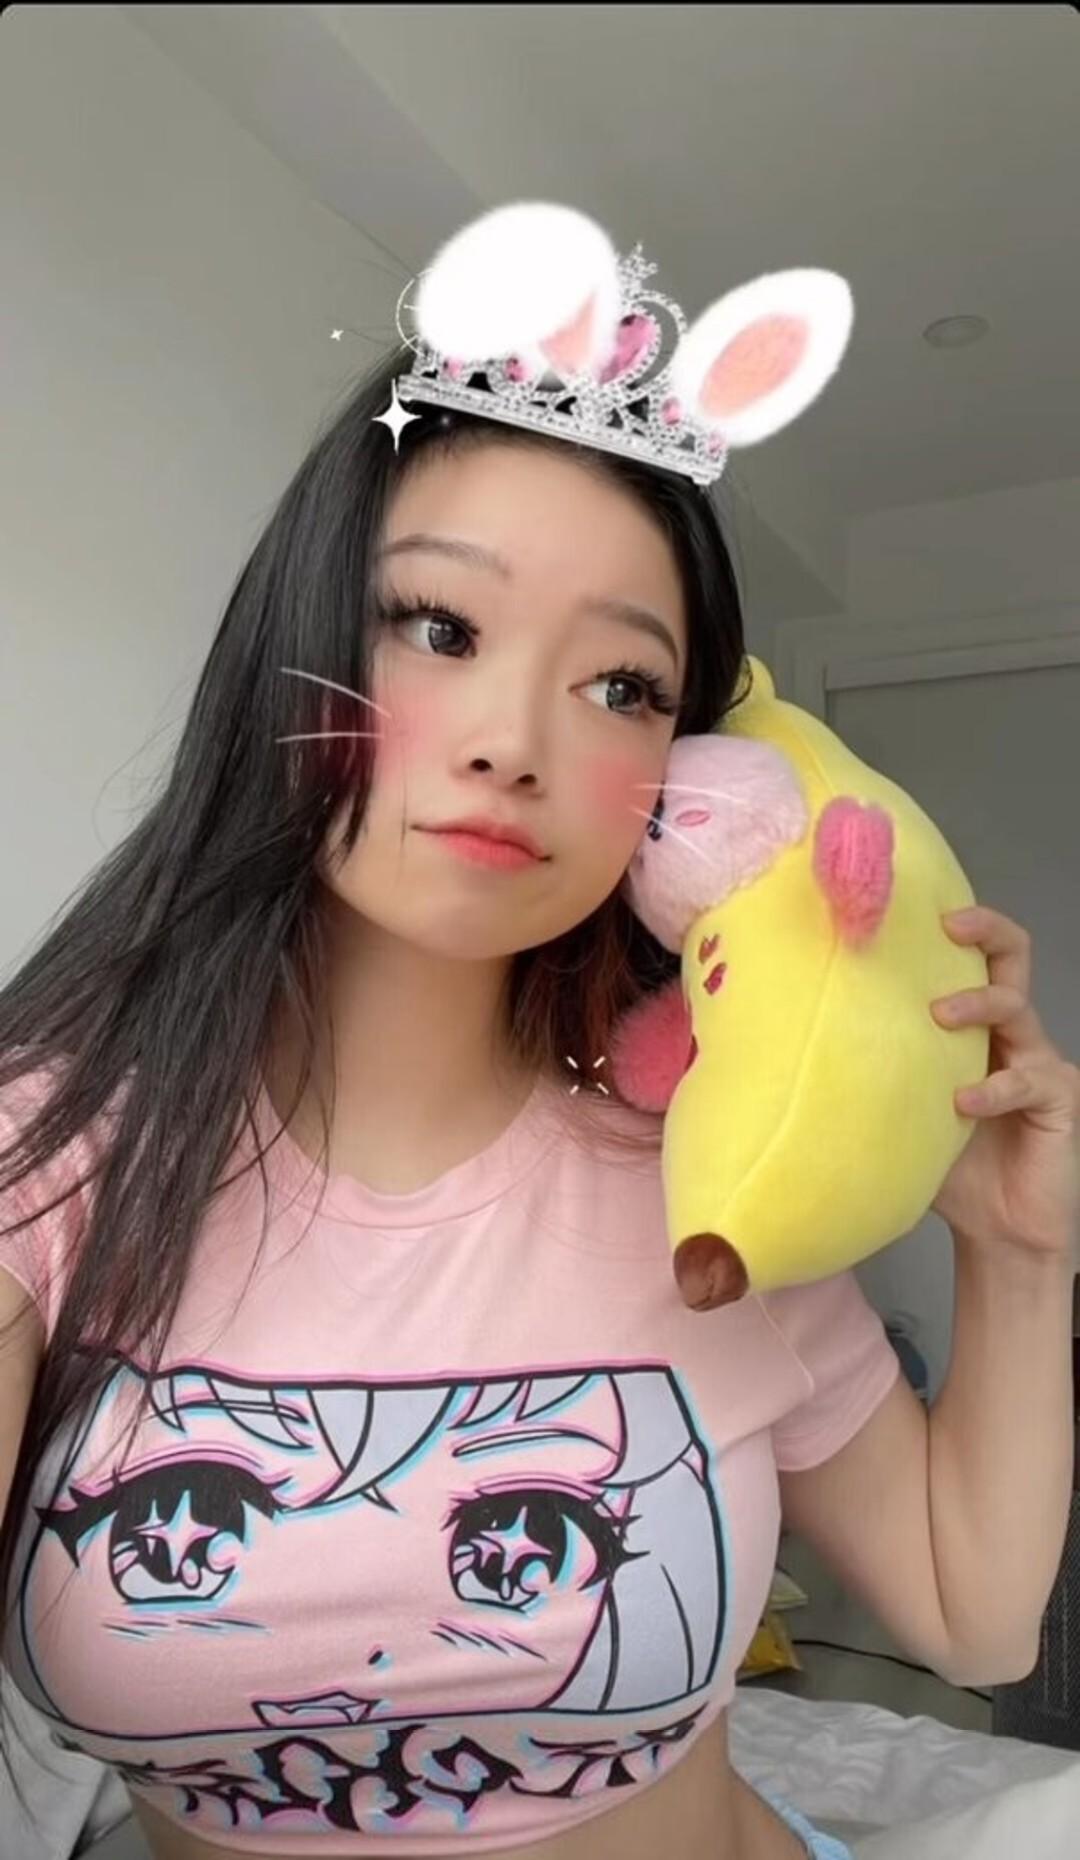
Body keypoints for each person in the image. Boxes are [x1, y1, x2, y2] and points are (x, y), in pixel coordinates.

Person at [1, 335, 1077, 1860]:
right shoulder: (49, 1162)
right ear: (292, 656)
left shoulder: (703, 1192)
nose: (517, 743)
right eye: (439, 626)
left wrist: (1019, 1247)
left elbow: (977, 1618)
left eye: (623, 685)